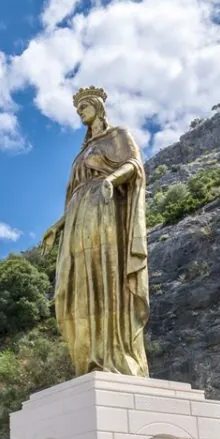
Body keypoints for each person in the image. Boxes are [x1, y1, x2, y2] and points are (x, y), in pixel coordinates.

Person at [41, 86, 150, 377]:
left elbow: (134, 164)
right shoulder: (81, 153)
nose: (80, 112)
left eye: (84, 106)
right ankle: (90, 356)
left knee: (105, 274)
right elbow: (75, 190)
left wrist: (112, 179)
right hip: (78, 217)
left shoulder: (118, 135)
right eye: (77, 109)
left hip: (104, 208)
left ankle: (114, 353)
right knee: (77, 281)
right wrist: (57, 225)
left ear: (98, 107)